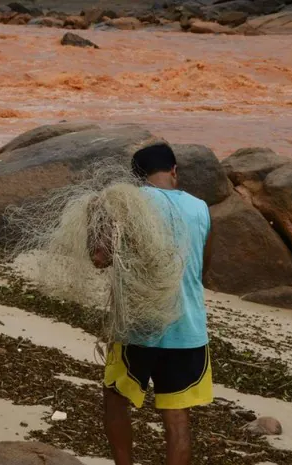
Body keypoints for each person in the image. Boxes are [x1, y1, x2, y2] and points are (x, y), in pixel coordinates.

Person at [90, 143, 213, 465]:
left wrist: (94, 216)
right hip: (188, 329)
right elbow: (203, 270)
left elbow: (99, 258)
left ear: (136, 179)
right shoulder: (201, 208)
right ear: (174, 171)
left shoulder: (127, 203)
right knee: (177, 418)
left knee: (116, 401)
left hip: (137, 327)